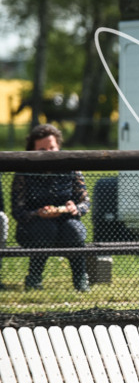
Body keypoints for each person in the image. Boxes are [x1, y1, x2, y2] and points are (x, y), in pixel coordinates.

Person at [10, 124, 91, 292]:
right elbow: (18, 211)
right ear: (32, 150)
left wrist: (74, 208)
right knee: (46, 228)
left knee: (74, 230)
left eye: (52, 148)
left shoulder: (71, 167)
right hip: (32, 228)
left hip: (66, 223)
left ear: (58, 146)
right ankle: (34, 279)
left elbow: (85, 202)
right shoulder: (24, 171)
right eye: (42, 149)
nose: (48, 153)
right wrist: (37, 213)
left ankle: (81, 279)